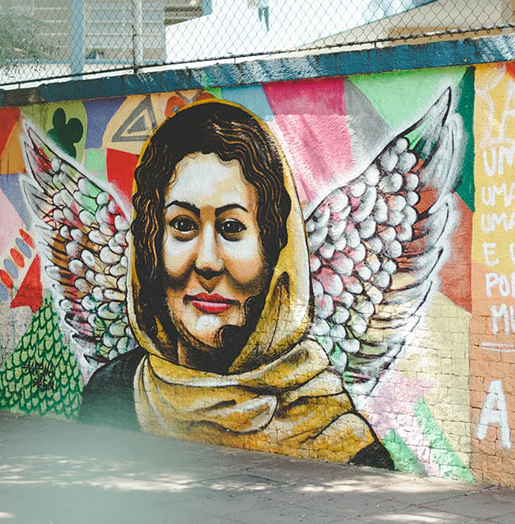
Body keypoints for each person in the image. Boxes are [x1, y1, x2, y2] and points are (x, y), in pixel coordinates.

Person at [79, 99, 391, 468]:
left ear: (274, 250)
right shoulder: (113, 394)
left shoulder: (339, 441)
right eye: (182, 225)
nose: (207, 261)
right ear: (150, 245)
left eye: (232, 227)